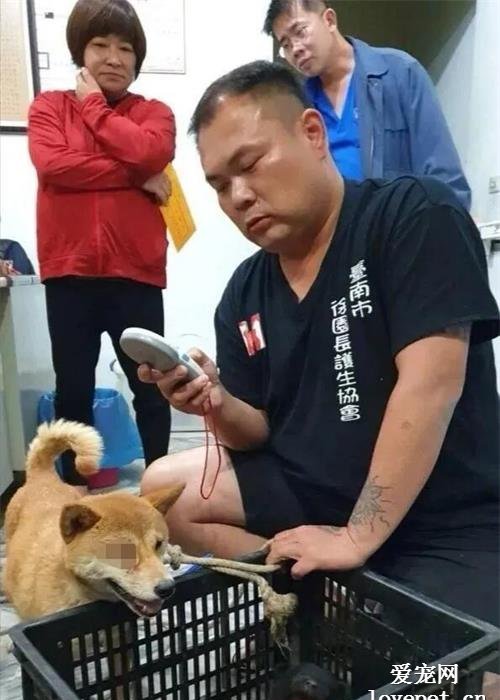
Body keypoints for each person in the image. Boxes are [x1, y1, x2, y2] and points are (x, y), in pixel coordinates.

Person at [139, 61, 499, 628]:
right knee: (163, 490)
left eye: (250, 164)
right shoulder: (245, 291)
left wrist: (358, 535)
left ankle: (353, 614)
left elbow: (432, 386)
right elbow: (256, 430)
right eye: (219, 185)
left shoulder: (414, 215)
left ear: (312, 133)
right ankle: (322, 604)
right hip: (313, 492)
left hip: (442, 517)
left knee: (450, 676)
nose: (238, 196)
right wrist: (215, 402)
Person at [28, 0, 174, 485]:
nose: (113, 57)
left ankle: (158, 493)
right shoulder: (48, 107)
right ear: (80, 51)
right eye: (100, 44)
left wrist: (93, 107)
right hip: (69, 273)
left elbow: (151, 151)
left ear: (137, 58)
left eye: (125, 48)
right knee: (72, 390)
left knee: (150, 387)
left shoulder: (153, 112)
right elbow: (55, 167)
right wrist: (135, 176)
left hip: (136, 273)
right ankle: (71, 497)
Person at [263, 0, 471, 210]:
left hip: (402, 224)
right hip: (337, 228)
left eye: (300, 31)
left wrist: (447, 223)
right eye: (286, 45)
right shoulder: (300, 107)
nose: (295, 49)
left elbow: (445, 179)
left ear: (329, 20)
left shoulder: (400, 73)